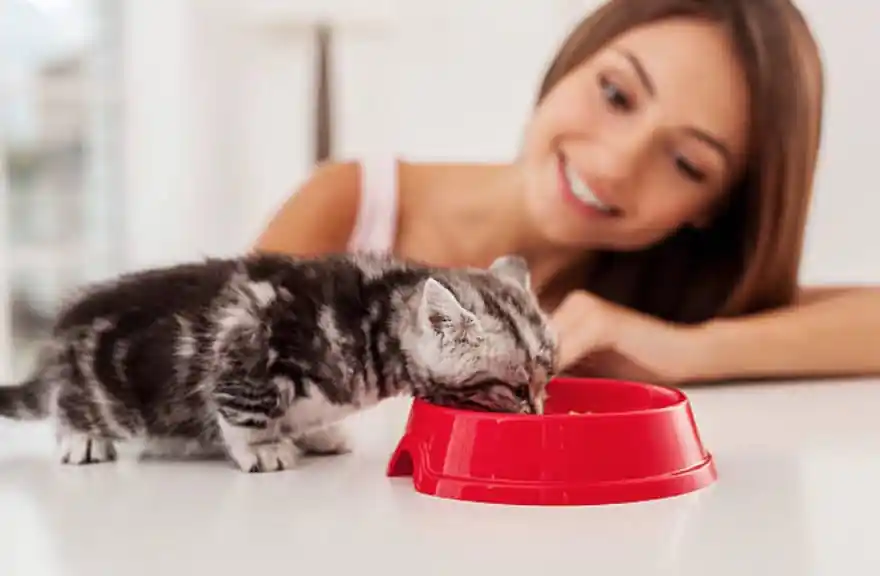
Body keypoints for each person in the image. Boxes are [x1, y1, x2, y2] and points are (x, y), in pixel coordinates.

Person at [254, 0, 880, 385]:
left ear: (713, 210)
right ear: (577, 56)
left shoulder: (647, 307)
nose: (613, 165)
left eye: (687, 164)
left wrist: (685, 350)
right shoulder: (353, 203)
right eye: (615, 94)